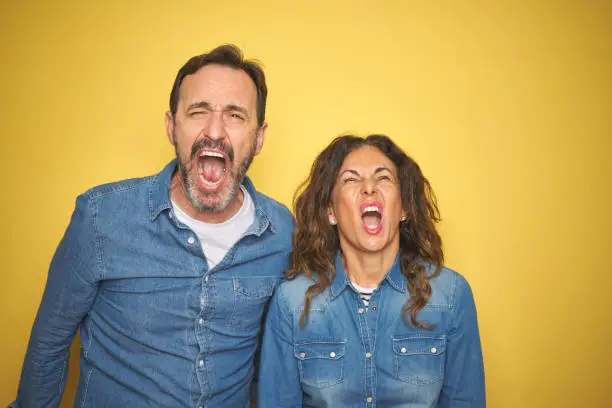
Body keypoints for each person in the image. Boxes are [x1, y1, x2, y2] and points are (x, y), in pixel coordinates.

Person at [14, 44, 294, 407]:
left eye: (235, 116)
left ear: (258, 137)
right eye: (198, 112)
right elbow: (48, 345)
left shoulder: (282, 232)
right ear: (171, 127)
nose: (215, 131)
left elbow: (276, 355)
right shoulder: (101, 218)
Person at [258, 134, 485, 407]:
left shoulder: (451, 295)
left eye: (384, 178)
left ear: (403, 208)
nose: (369, 188)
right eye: (351, 179)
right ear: (330, 211)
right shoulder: (291, 302)